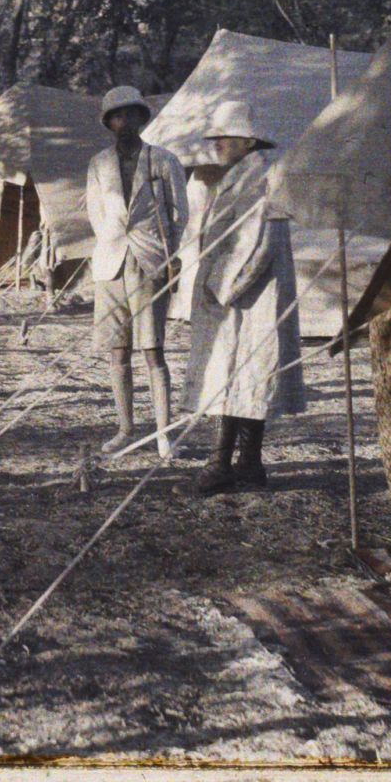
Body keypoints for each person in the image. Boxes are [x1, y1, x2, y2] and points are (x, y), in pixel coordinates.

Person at [183, 99, 304, 496]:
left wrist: (221, 287)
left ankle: (223, 464)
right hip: (243, 295)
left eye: (224, 137)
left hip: (248, 294)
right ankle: (248, 464)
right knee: (243, 377)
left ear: (248, 141)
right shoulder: (240, 176)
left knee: (240, 377)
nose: (216, 143)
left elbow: (256, 245)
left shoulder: (260, 179)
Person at [85, 85, 189, 457]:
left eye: (130, 114)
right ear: (109, 123)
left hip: (150, 261)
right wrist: (114, 243)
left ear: (141, 118)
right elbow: (96, 213)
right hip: (110, 264)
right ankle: (126, 429)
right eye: (116, 116)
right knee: (118, 351)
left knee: (153, 351)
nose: (123, 121)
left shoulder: (163, 160)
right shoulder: (98, 164)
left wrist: (169, 255)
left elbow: (179, 214)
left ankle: (164, 434)